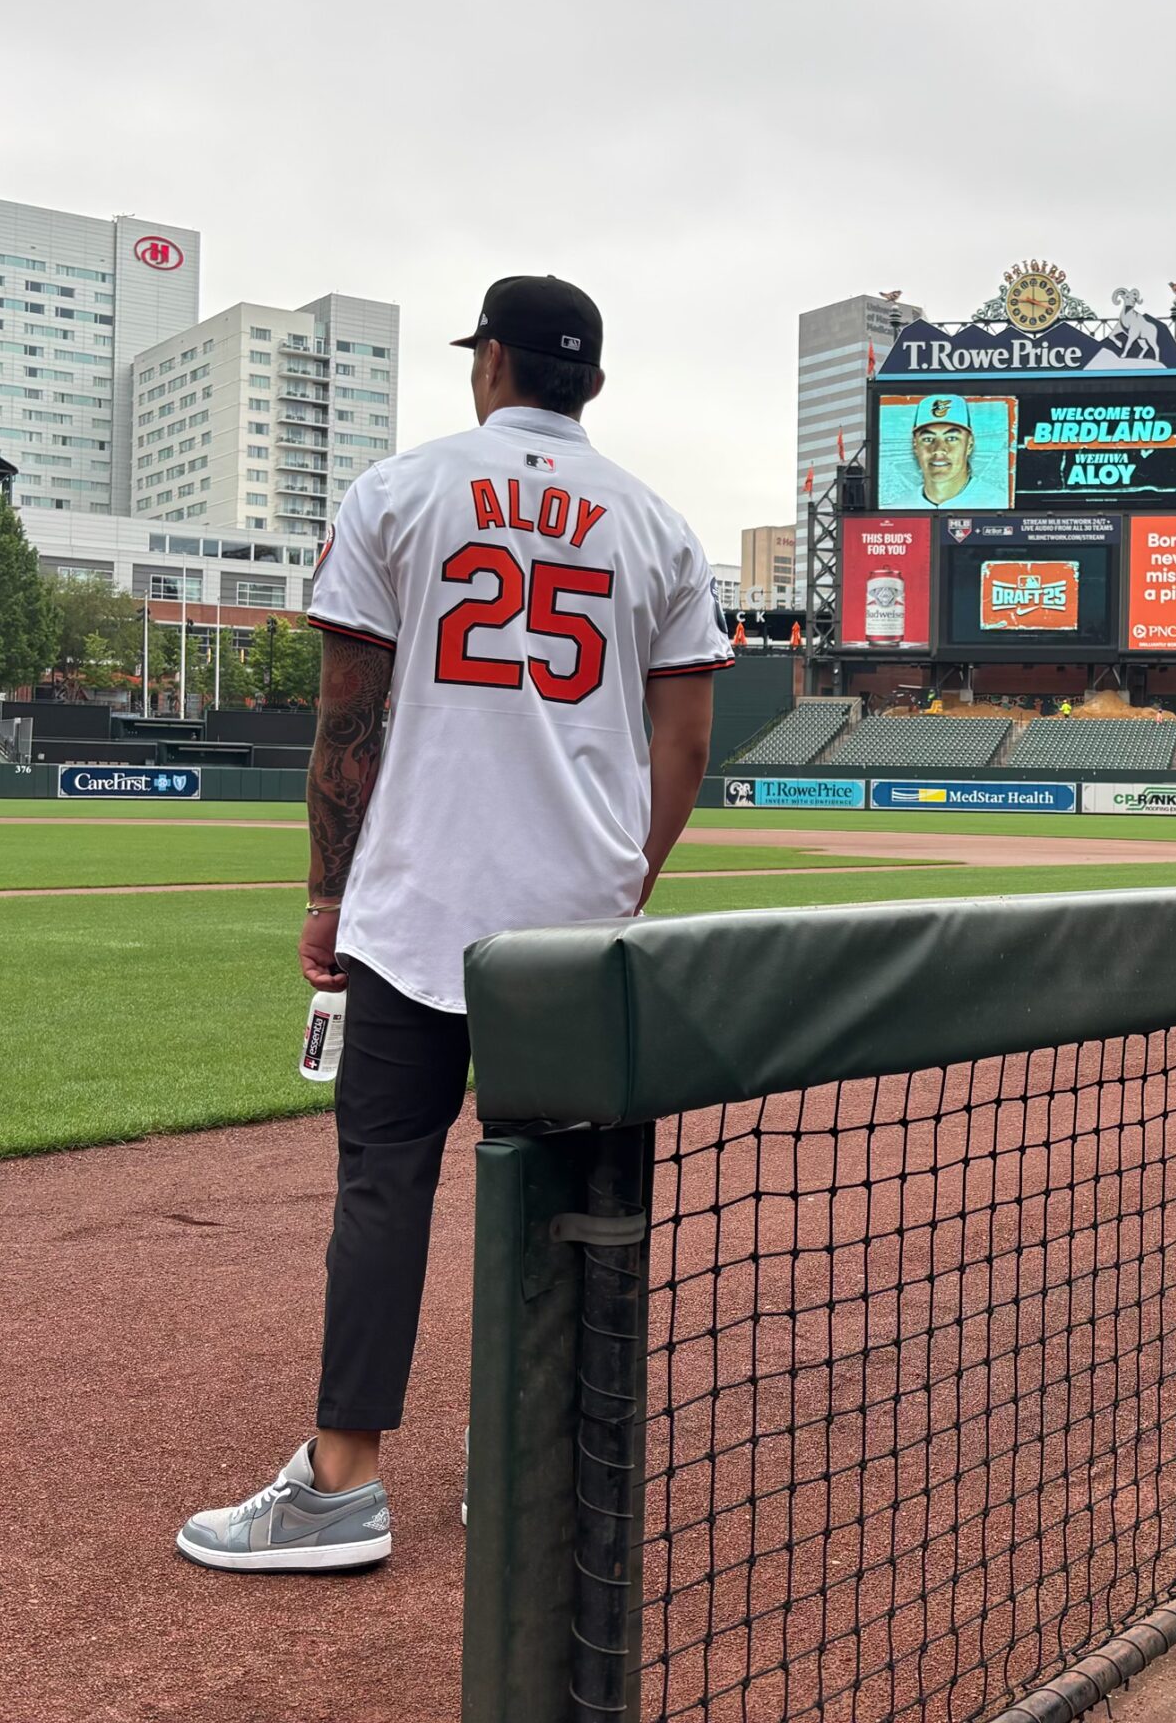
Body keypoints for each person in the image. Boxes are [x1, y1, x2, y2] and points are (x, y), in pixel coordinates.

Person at [176, 274, 729, 1573]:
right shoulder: (659, 526)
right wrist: (624, 878)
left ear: (490, 363)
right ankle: (530, 1470)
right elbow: (688, 740)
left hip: (416, 908)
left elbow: (347, 720)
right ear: (587, 381)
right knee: (566, 1198)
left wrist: (327, 892)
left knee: (385, 1187)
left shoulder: (399, 492)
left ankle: (344, 1486)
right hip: (576, 930)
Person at [908, 394, 978, 505]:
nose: (939, 449)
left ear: (969, 444)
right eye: (928, 439)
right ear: (915, 445)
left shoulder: (999, 502)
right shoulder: (896, 507)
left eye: (951, 438)